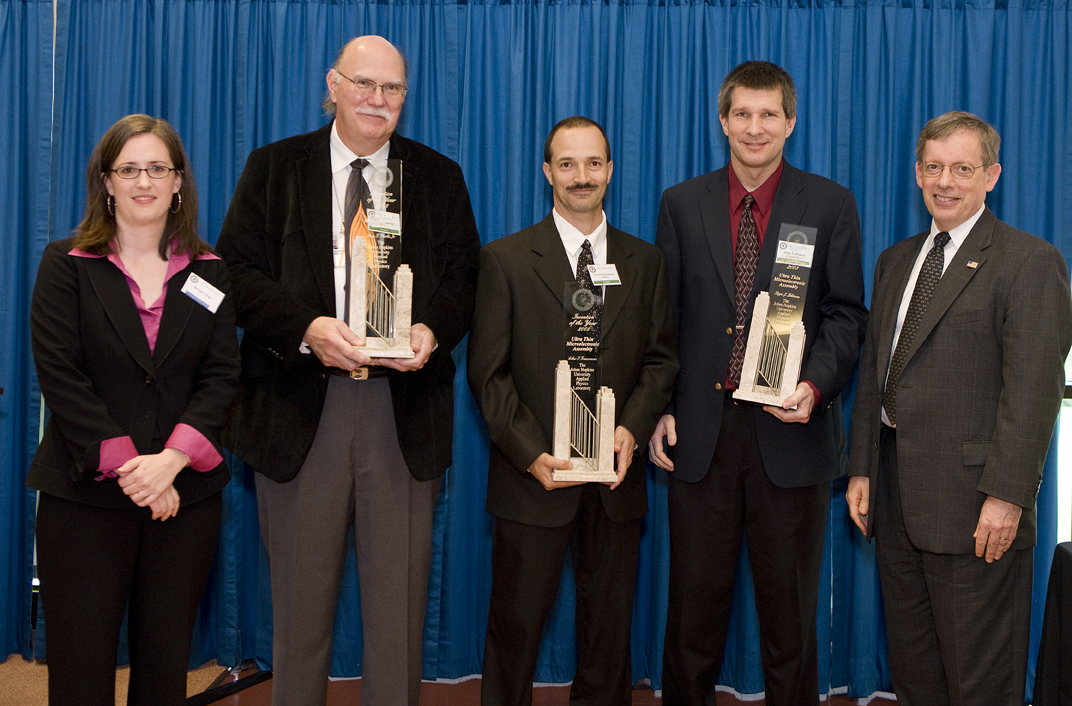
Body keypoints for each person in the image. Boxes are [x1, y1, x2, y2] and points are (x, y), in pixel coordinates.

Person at [215, 35, 480, 706]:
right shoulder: (273, 168)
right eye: (363, 84)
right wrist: (306, 329)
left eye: (392, 89)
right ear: (331, 85)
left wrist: (431, 329)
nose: (377, 99)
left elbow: (465, 278)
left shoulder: (438, 176)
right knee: (300, 607)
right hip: (302, 405)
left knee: (398, 608)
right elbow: (234, 276)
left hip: (402, 409)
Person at [649, 61, 868, 706]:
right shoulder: (681, 203)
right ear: (722, 121)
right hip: (702, 435)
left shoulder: (828, 204)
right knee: (692, 619)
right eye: (741, 114)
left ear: (791, 122)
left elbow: (847, 315)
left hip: (789, 432)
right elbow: (665, 321)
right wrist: (661, 406)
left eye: (768, 114)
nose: (754, 128)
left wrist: (816, 385)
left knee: (791, 624)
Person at [845, 111, 1072, 705]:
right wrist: (862, 467)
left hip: (977, 509)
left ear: (991, 175)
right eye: (934, 167)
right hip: (896, 503)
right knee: (917, 677)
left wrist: (1007, 497)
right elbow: (877, 372)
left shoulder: (1028, 262)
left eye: (962, 169)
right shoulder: (896, 261)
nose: (946, 182)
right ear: (918, 173)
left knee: (980, 684)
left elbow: (1034, 391)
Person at [27, 114, 240, 706]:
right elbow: (61, 378)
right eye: (129, 169)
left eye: (157, 168)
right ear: (106, 181)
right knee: (80, 665)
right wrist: (138, 472)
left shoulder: (211, 271)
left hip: (184, 502)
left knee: (164, 665)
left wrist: (171, 461)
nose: (143, 181)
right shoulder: (65, 264)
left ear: (178, 182)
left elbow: (222, 377)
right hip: (84, 500)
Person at [467, 116, 678, 706]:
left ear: (610, 170)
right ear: (547, 172)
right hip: (532, 479)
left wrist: (631, 431)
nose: (581, 176)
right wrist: (531, 453)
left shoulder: (645, 262)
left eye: (593, 164)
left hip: (614, 481)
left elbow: (662, 362)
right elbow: (487, 374)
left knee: (608, 640)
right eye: (567, 163)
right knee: (514, 633)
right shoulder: (505, 260)